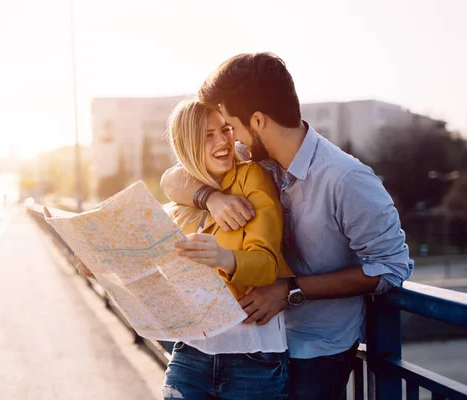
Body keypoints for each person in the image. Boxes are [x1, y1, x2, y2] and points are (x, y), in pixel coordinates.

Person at [161, 53, 414, 400]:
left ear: (258, 121)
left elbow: (391, 268)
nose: (228, 139)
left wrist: (291, 289)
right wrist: (209, 197)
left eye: (230, 126)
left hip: (316, 350)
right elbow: (174, 176)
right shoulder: (257, 160)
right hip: (256, 347)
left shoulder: (347, 180)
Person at [161, 98, 292, 399]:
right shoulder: (181, 198)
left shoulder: (251, 177)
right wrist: (105, 268)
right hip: (190, 352)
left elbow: (268, 265)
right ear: (187, 145)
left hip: (252, 358)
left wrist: (223, 258)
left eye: (225, 129)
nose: (222, 141)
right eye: (207, 135)